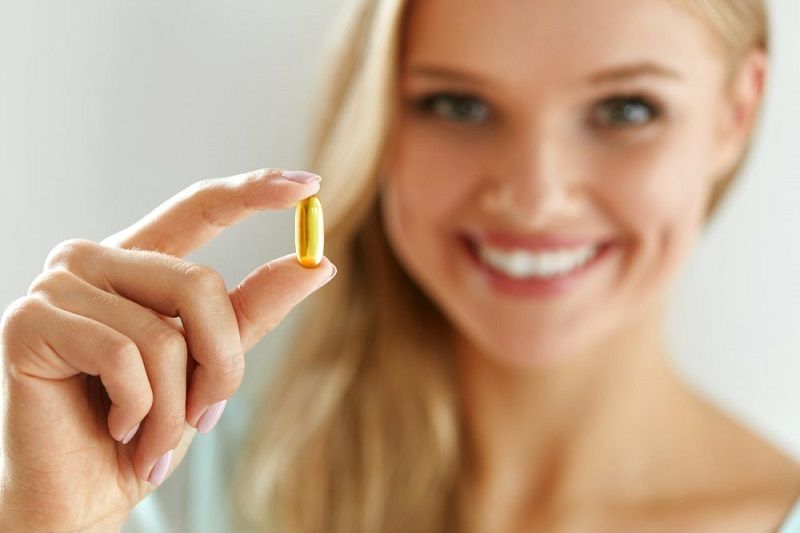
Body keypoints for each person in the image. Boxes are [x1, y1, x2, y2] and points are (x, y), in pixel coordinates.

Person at [1, 0, 798, 531]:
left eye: (626, 109)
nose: (533, 197)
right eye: (458, 104)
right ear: (379, 120)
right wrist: (44, 521)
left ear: (736, 113)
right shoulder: (168, 478)